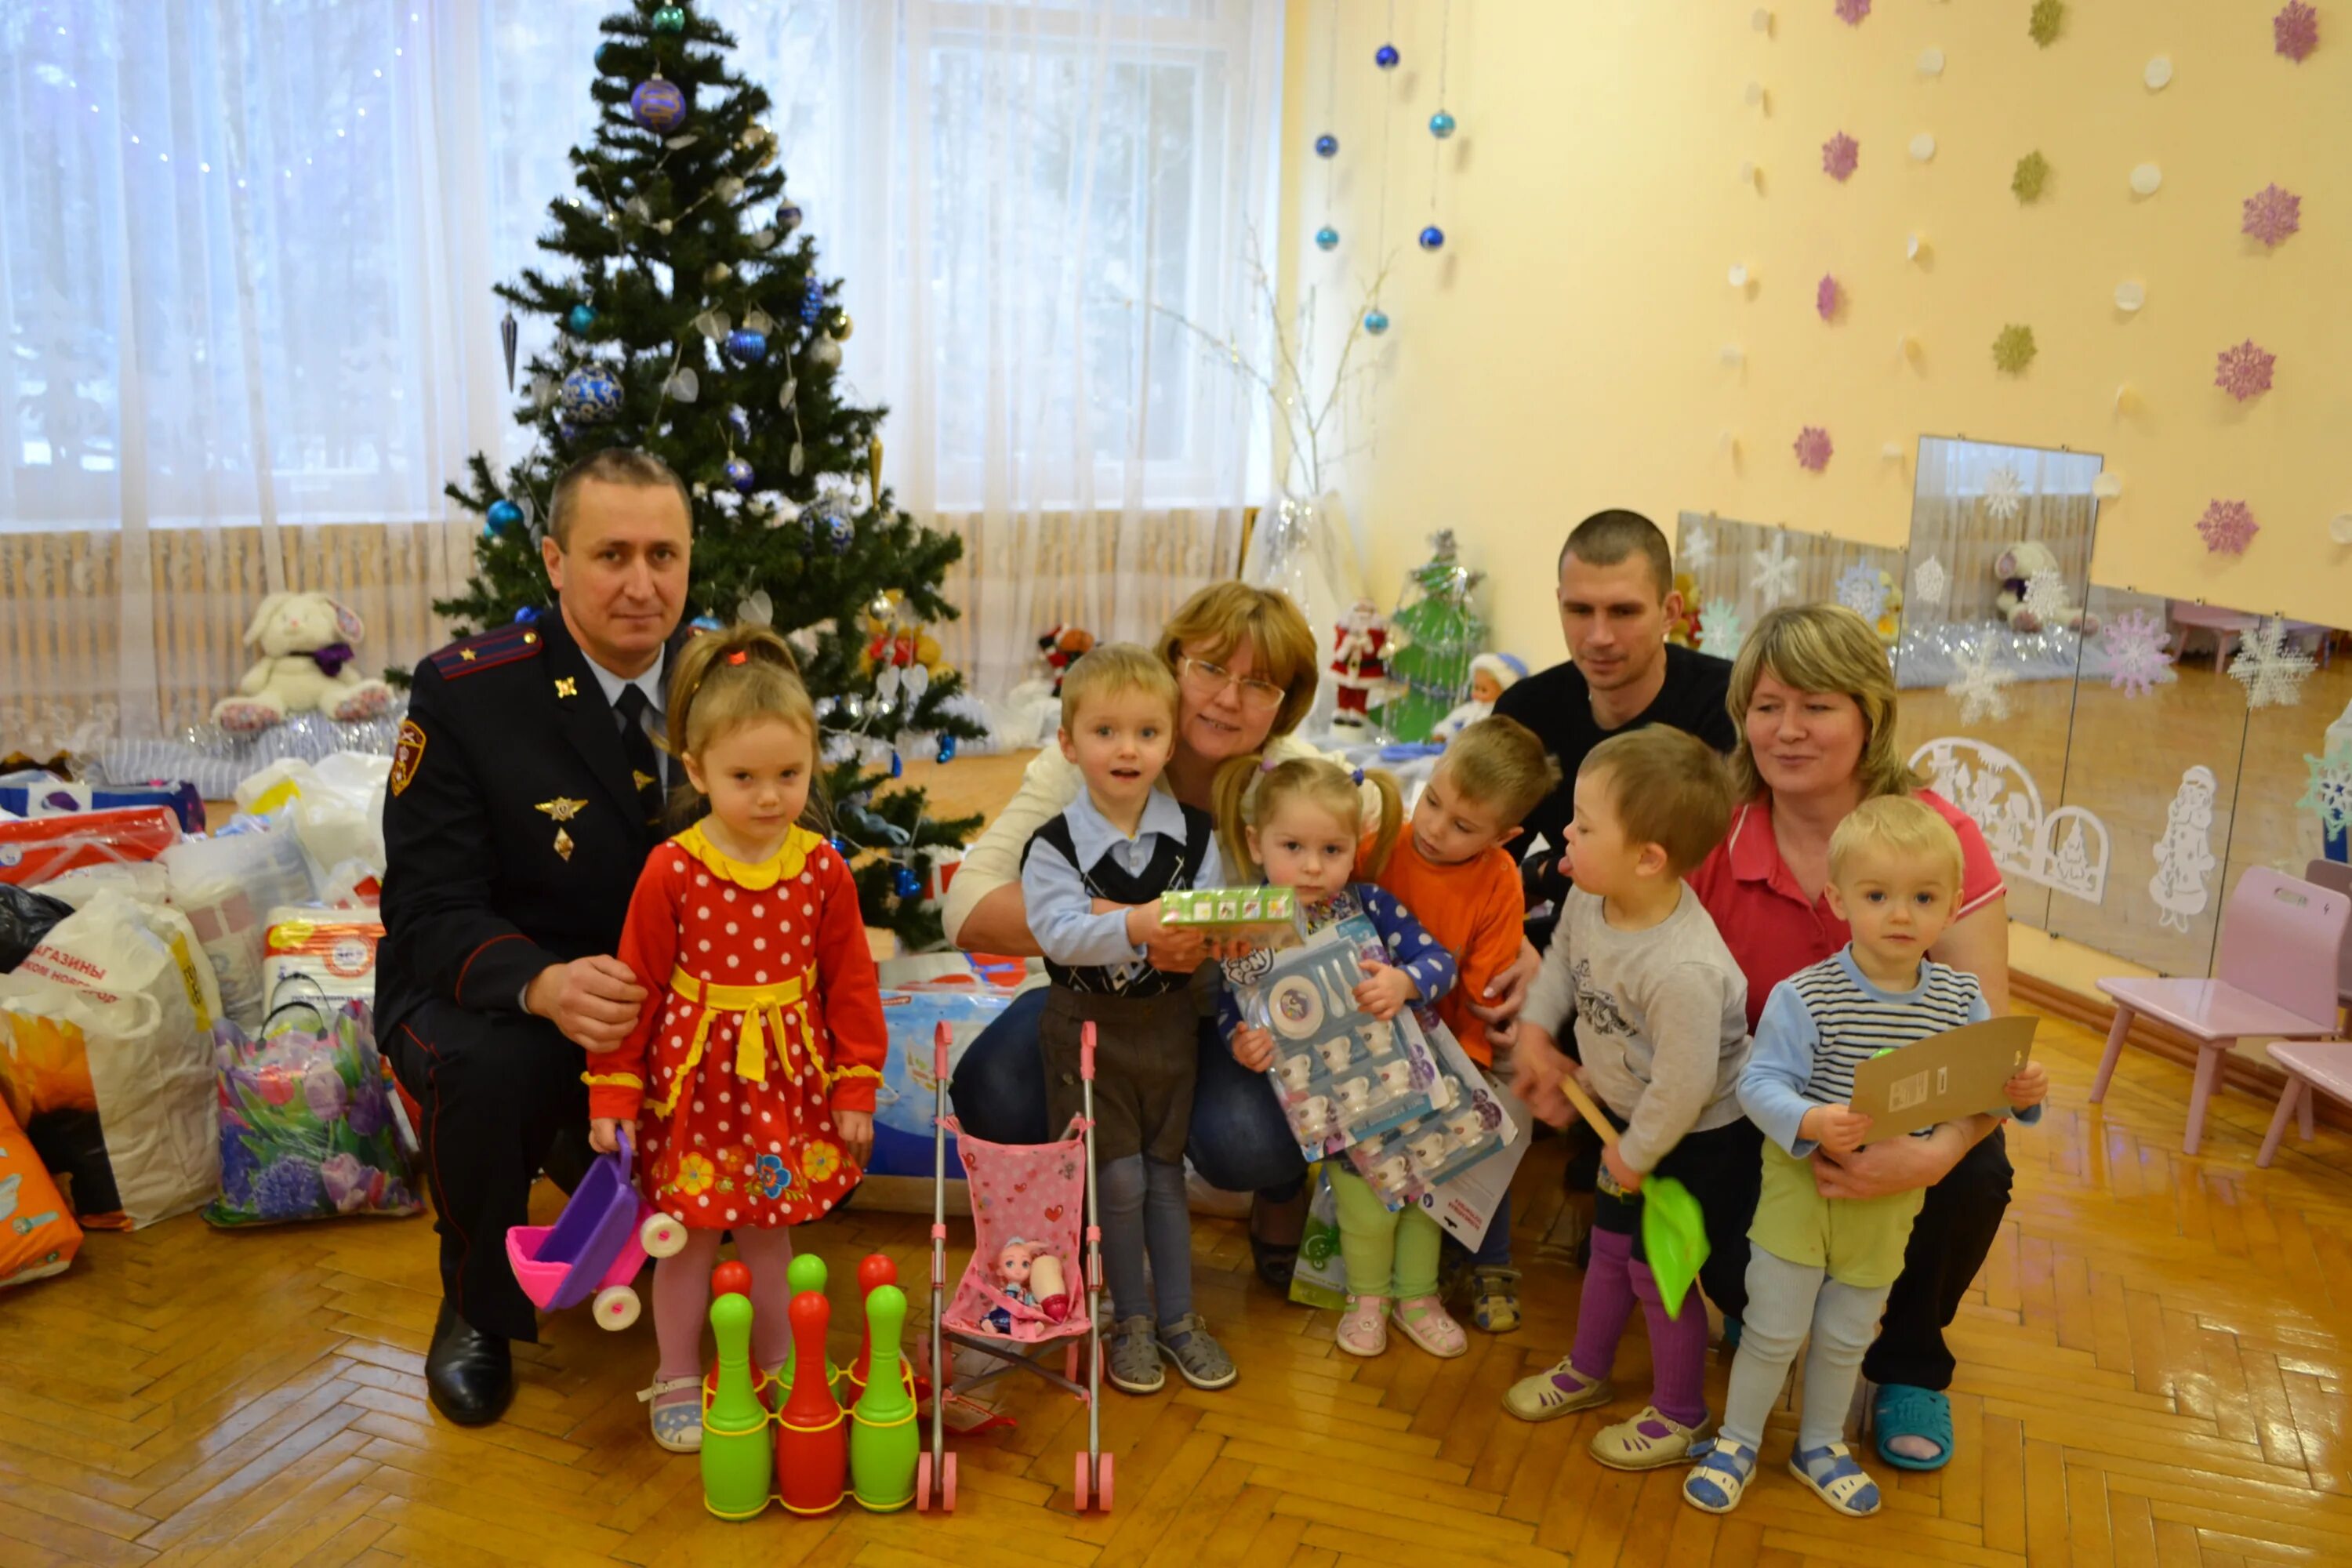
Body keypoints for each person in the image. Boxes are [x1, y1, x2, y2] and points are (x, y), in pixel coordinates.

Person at [942, 583, 1540, 1288]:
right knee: (993, 1082)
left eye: (1258, 684)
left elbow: (1397, 874)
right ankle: (1070, 1229)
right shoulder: (1097, 754)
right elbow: (968, 907)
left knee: (1252, 1142)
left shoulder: (1295, 780)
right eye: (1211, 668)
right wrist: (1132, 930)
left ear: (1285, 706)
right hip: (1095, 1000)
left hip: (1230, 1017)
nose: (1228, 698)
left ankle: (1277, 1190)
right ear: (1173, 665)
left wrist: (1514, 936)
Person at [379, 448, 695, 1427]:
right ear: (554, 561)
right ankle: (479, 1301)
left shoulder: (729, 679)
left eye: (664, 554)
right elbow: (429, 904)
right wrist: (545, 984)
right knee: (487, 1068)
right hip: (499, 987)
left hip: (663, 995)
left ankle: (674, 1219)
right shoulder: (470, 692)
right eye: (611, 554)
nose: (642, 584)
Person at [1685, 603, 2015, 1473]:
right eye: (1766, 705)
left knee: (1980, 1169)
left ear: (1869, 713)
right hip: (1763, 1103)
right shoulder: (1714, 828)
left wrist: (1932, 1154)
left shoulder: (1939, 838)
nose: (1787, 729)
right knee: (1701, 1153)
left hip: (1907, 1112)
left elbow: (1989, 1059)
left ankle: (1909, 1361)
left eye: (1818, 705)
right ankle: (1762, 1306)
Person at [1684, 797, 2046, 1517]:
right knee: (1774, 1328)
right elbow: (1759, 1083)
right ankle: (1737, 1441)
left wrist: (2024, 1091)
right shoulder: (1806, 995)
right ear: (1839, 899)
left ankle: (1821, 1445)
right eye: (1878, 896)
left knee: (1849, 1332)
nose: (1900, 915)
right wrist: (1812, 1118)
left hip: (1889, 1203)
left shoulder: (1958, 997)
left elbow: (1990, 1090)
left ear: (1950, 909)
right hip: (1801, 1188)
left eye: (1923, 898)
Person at [586, 626, 885, 1451]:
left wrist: (855, 1085)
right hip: (692, 1091)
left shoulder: (821, 869)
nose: (768, 796)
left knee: (768, 1233)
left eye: (788, 775)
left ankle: (782, 1362)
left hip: (783, 1088)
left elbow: (851, 983)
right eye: (743, 777)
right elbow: (635, 985)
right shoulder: (671, 869)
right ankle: (679, 1370)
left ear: (812, 761)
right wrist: (612, 1088)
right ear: (695, 769)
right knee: (681, 1241)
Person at [1504, 728, 1755, 1471]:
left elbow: (1685, 1087)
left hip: (1694, 1136)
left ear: (1649, 857)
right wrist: (1534, 1032)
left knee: (1659, 1269)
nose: (1567, 836)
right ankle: (1587, 1368)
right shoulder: (1591, 894)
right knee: (1608, 1252)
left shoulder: (1684, 970)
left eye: (1584, 825)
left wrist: (1636, 1153)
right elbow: (1558, 967)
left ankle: (1681, 1413)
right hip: (1624, 1121)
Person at [1493, 510, 1738, 1254]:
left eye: (1623, 611)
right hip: (1573, 935)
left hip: (1678, 949)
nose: (1598, 636)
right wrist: (1518, 946)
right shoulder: (1528, 712)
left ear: (1669, 611)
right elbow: (1489, 856)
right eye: (1579, 610)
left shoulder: (1725, 708)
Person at [1016, 644, 1234, 1396]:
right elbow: (1057, 932)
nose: (1127, 749)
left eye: (1146, 732)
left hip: (1170, 1031)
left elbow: (1208, 925)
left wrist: (1195, 941)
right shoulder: (1052, 846)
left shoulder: (1198, 837)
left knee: (1165, 1177)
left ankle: (1178, 1318)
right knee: (1117, 1181)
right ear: (1069, 743)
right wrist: (1140, 923)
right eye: (1105, 731)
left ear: (1170, 743)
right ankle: (1129, 1318)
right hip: (1084, 1033)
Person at [1217, 757, 1464, 1358]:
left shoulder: (1372, 905)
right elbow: (1230, 1007)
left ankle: (1419, 1298)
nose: (1311, 865)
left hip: (1410, 1085)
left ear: (1357, 847)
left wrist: (1404, 983)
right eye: (1293, 846)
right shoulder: (1247, 924)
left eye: (1331, 849)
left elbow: (1440, 964)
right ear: (1256, 843)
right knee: (1364, 1209)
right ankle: (1369, 1299)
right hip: (1334, 1105)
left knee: (1422, 1198)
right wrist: (1241, 1043)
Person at [1376, 715, 1558, 1332]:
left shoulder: (1500, 879)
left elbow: (1485, 992)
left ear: (1506, 835)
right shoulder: (1385, 842)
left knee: (1483, 1146)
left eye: (1462, 826)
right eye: (1432, 801)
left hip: (1455, 1045)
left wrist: (1465, 1067)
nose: (1433, 828)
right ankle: (1391, 1271)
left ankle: (1492, 1264)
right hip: (1375, 1040)